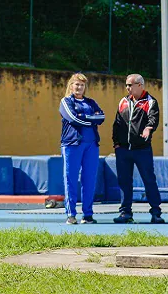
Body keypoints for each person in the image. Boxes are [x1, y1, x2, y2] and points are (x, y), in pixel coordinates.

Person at [112, 74, 163, 224]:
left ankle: (156, 212)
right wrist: (116, 143)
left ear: (140, 85)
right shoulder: (123, 102)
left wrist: (148, 129)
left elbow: (153, 119)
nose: (127, 88)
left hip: (142, 149)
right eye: (126, 85)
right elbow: (117, 123)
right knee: (124, 181)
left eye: (130, 85)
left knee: (149, 180)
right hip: (123, 150)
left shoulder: (150, 102)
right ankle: (125, 213)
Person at [59, 73, 105, 225]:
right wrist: (91, 118)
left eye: (82, 85)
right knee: (70, 179)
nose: (79, 87)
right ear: (71, 86)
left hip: (91, 145)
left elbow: (102, 118)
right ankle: (71, 214)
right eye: (76, 84)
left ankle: (88, 214)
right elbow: (73, 118)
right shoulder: (66, 101)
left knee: (89, 180)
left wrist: (86, 117)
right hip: (72, 145)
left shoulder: (91, 102)